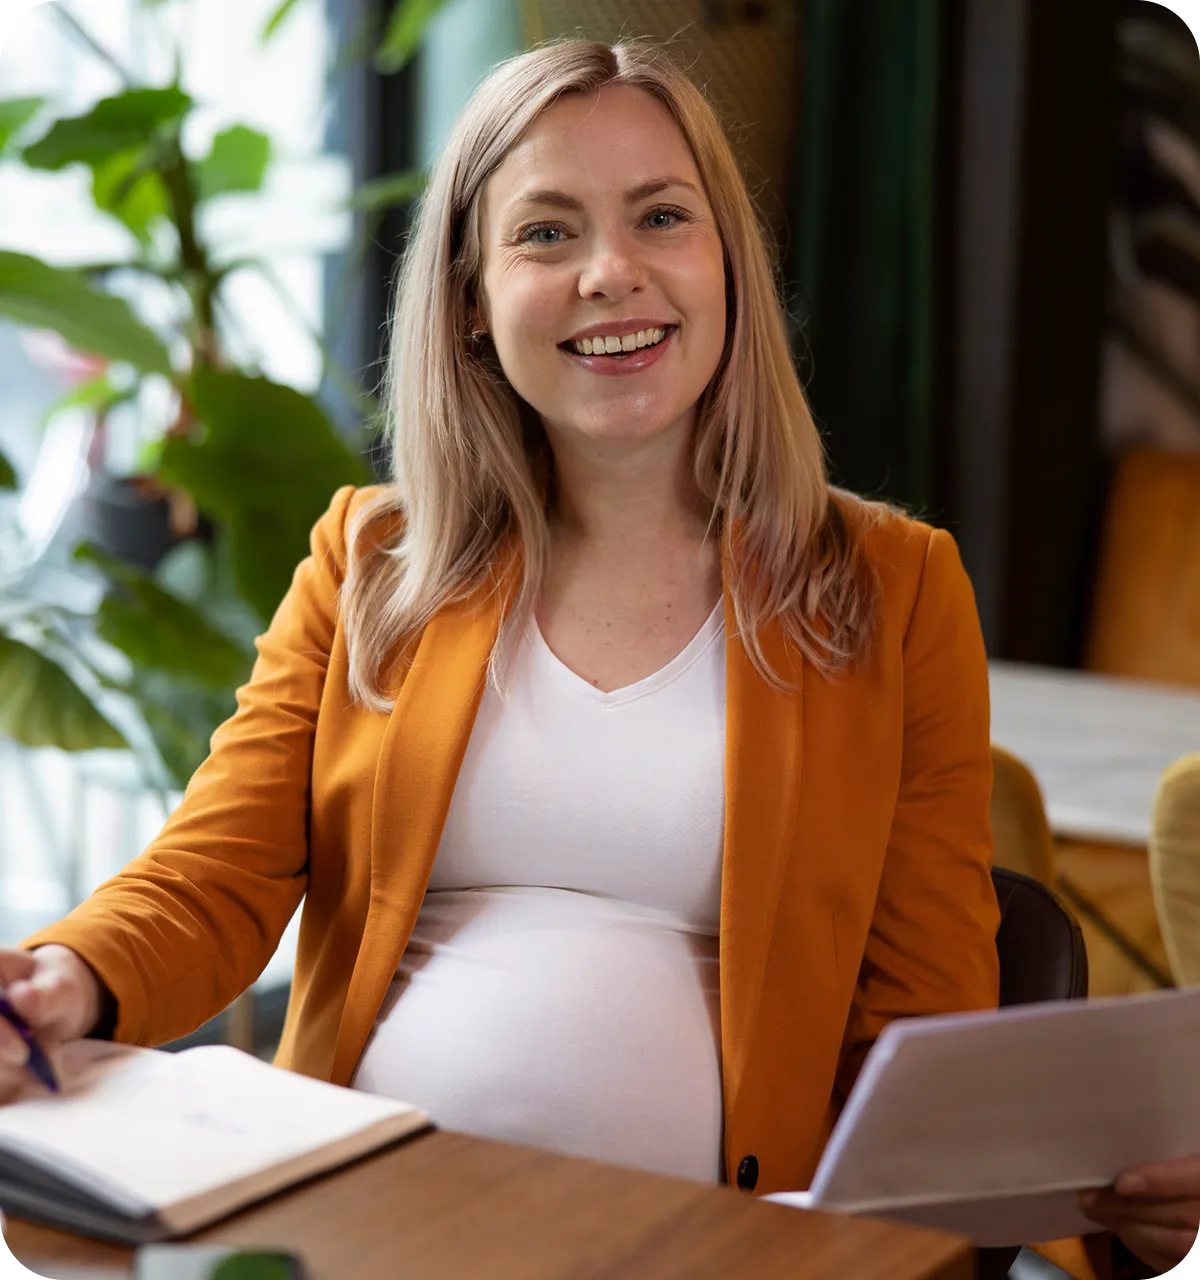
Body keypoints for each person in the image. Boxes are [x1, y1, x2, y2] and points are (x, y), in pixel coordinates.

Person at [0, 38, 1196, 1279]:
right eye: (546, 233)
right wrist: (63, 978)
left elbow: (924, 1018)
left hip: (718, 1252)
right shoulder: (371, 562)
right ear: (468, 295)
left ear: (726, 257)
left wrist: (1105, 1215)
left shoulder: (890, 590)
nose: (612, 274)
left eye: (661, 217)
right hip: (354, 1225)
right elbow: (213, 872)